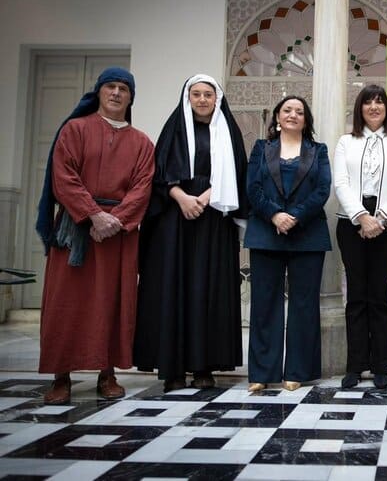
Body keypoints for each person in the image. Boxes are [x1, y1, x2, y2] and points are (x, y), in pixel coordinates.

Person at [35, 67, 155, 405]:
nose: (116, 93)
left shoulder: (143, 143)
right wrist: (92, 215)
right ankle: (61, 377)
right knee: (65, 302)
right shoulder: (74, 130)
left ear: (131, 97)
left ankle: (107, 373)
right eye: (110, 87)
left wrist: (114, 220)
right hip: (75, 230)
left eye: (123, 89)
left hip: (118, 234)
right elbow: (64, 176)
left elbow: (142, 188)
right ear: (99, 92)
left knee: (113, 302)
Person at [134, 74, 248, 392]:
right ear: (187, 98)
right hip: (175, 218)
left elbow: (238, 171)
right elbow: (157, 172)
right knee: (175, 287)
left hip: (215, 217)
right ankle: (173, 368)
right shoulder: (173, 131)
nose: (201, 99)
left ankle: (203, 366)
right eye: (195, 94)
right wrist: (181, 197)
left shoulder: (228, 133)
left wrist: (211, 194)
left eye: (207, 94)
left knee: (207, 288)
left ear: (217, 99)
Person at [244, 95, 331, 392]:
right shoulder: (260, 148)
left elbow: (322, 190)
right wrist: (275, 215)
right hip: (266, 234)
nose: (293, 115)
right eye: (287, 110)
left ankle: (298, 370)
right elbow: (252, 188)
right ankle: (261, 373)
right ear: (277, 117)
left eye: (299, 111)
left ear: (306, 120)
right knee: (264, 304)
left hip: (307, 234)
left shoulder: (318, 150)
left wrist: (293, 216)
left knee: (304, 305)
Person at [334, 85, 387, 389]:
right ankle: (355, 365)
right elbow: (340, 182)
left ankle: (381, 365)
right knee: (356, 295)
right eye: (368, 102)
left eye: (379, 102)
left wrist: (380, 219)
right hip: (351, 220)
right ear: (360, 109)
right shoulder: (345, 142)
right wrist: (362, 217)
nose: (374, 107)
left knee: (380, 295)